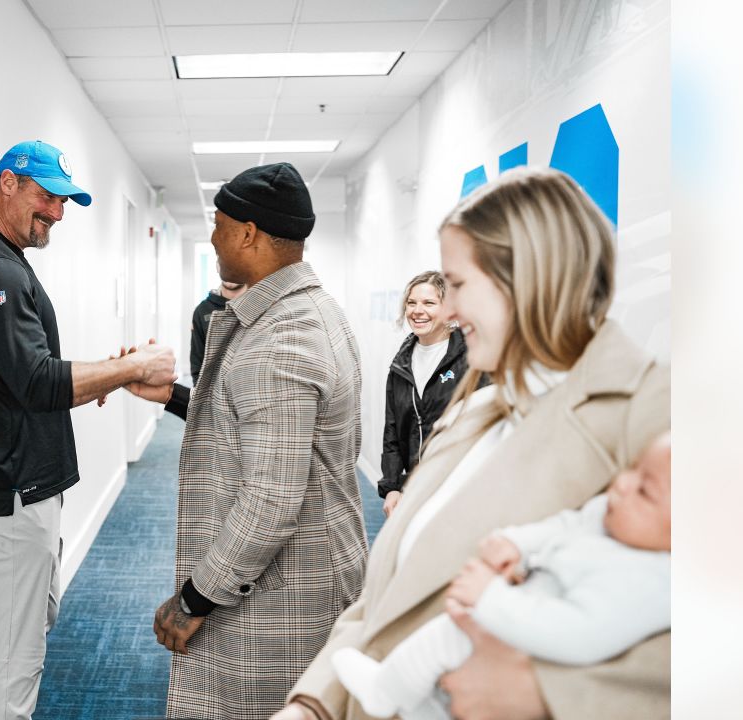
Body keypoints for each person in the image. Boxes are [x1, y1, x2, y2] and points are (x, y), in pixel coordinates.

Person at [274, 166, 670, 720]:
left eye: (457, 285)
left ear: (526, 277)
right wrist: (313, 706)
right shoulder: (478, 408)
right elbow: (387, 598)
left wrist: (543, 695)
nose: (448, 311)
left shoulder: (657, 411)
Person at [0, 140, 177, 720]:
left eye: (63, 202)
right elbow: (36, 379)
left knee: (21, 627)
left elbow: (23, 375)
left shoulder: (0, 261)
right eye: (46, 197)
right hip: (6, 489)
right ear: (7, 183)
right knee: (14, 667)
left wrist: (102, 377)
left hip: (14, 485)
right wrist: (132, 367)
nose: (57, 214)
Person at [126, 162, 368, 720]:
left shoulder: (281, 338)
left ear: (248, 233)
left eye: (218, 223)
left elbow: (270, 500)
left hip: (282, 592)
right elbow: (256, 433)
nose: (212, 236)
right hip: (306, 572)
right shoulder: (313, 312)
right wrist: (171, 397)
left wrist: (193, 600)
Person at [333, 432, 671, 720]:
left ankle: (384, 692)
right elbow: (567, 523)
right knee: (442, 667)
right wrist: (517, 543)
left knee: (444, 639)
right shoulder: (610, 516)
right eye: (633, 469)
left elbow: (577, 632)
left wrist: (491, 597)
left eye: (645, 491)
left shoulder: (648, 583)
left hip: (529, 639)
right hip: (519, 606)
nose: (623, 484)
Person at [379, 271, 486, 517]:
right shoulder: (401, 364)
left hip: (459, 490)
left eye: (429, 303)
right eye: (411, 302)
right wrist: (393, 486)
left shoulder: (472, 358)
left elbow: (483, 429)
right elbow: (393, 431)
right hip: (414, 489)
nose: (417, 310)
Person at [190, 278, 247, 383]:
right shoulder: (202, 310)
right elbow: (197, 363)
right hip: (214, 392)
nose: (231, 271)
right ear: (218, 267)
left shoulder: (261, 305)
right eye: (227, 263)